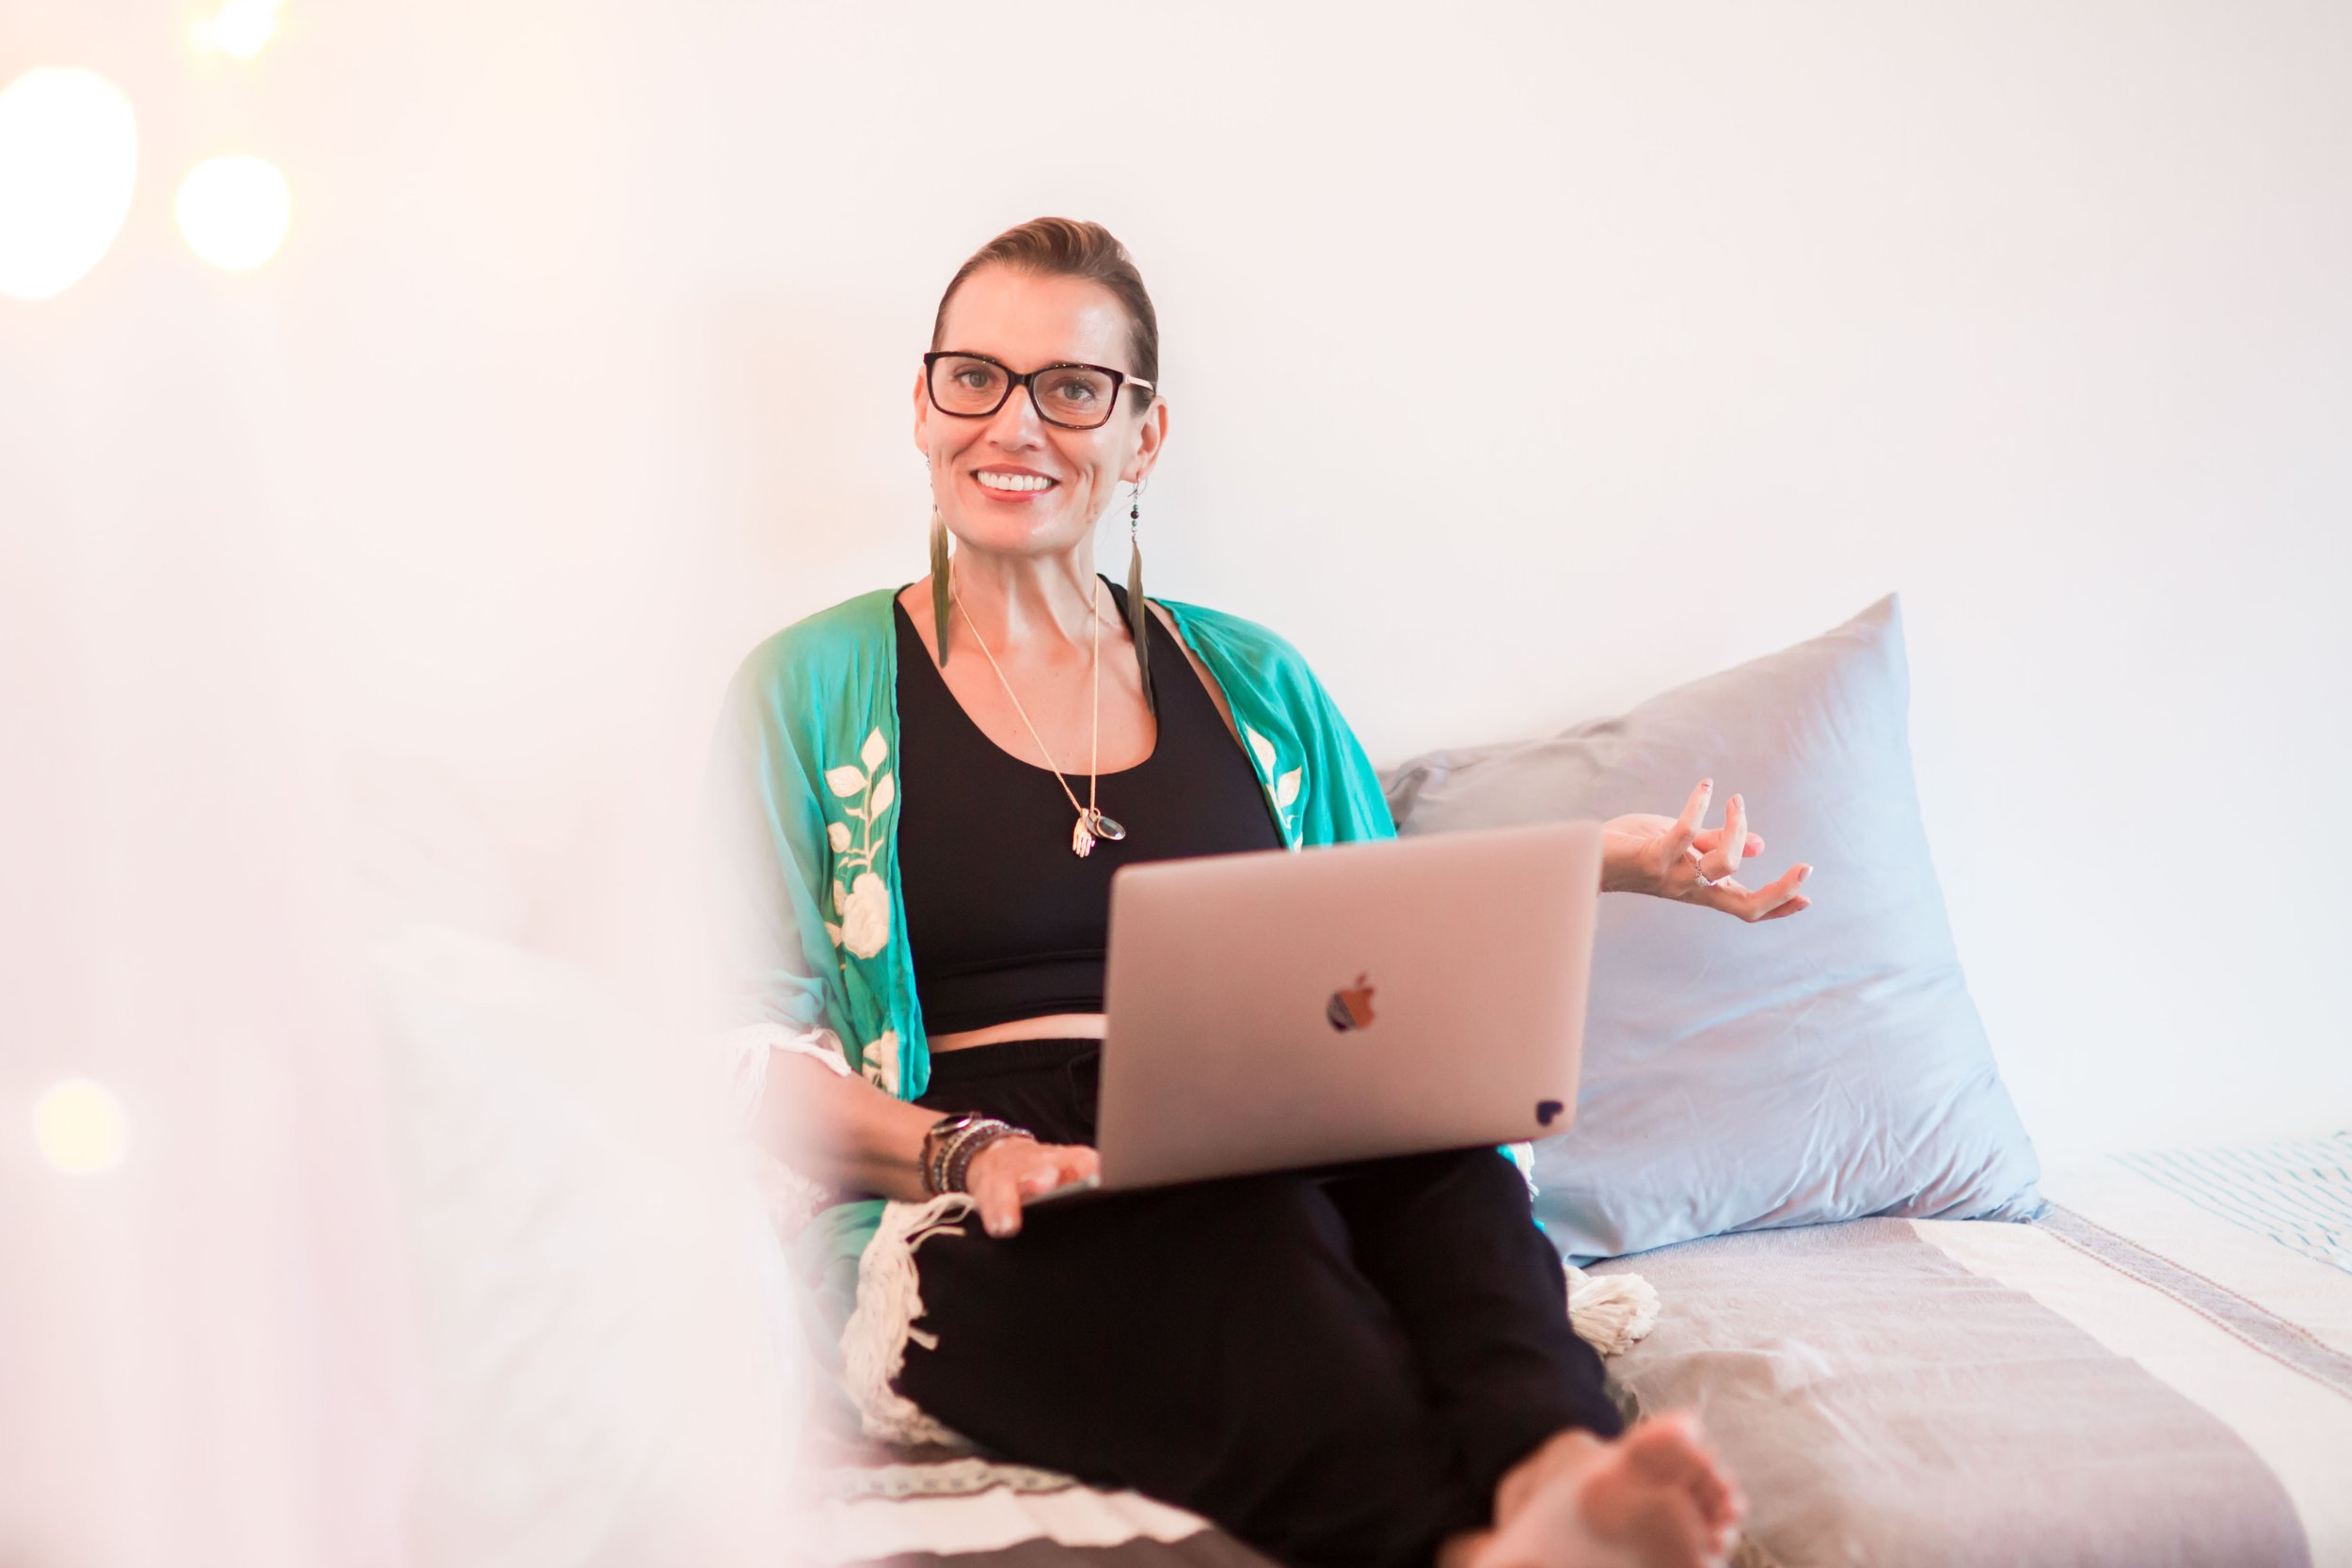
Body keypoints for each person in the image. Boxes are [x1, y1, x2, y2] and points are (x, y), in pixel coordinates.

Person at [702, 216, 1815, 1568]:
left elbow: (1381, 963)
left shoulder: (1258, 683)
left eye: (1072, 388)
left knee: (1443, 1169)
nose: (1014, 422)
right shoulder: (803, 688)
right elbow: (736, 1058)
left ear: (1144, 437)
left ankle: (1560, 1469)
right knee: (1257, 1232)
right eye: (975, 377)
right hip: (989, 1185)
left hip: (1256, 1129)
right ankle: (1461, 1544)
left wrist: (1602, 860)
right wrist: (965, 1150)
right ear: (925, 407)